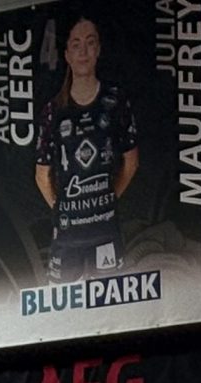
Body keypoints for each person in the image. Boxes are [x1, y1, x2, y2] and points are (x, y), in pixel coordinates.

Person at [36, 17, 138, 282]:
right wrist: (64, 210)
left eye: (90, 43)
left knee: (109, 313)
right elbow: (42, 175)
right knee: (65, 312)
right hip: (67, 237)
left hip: (106, 231)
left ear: (99, 49)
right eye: (76, 44)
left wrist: (107, 199)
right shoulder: (54, 110)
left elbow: (131, 162)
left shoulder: (114, 100)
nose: (83, 51)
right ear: (67, 54)